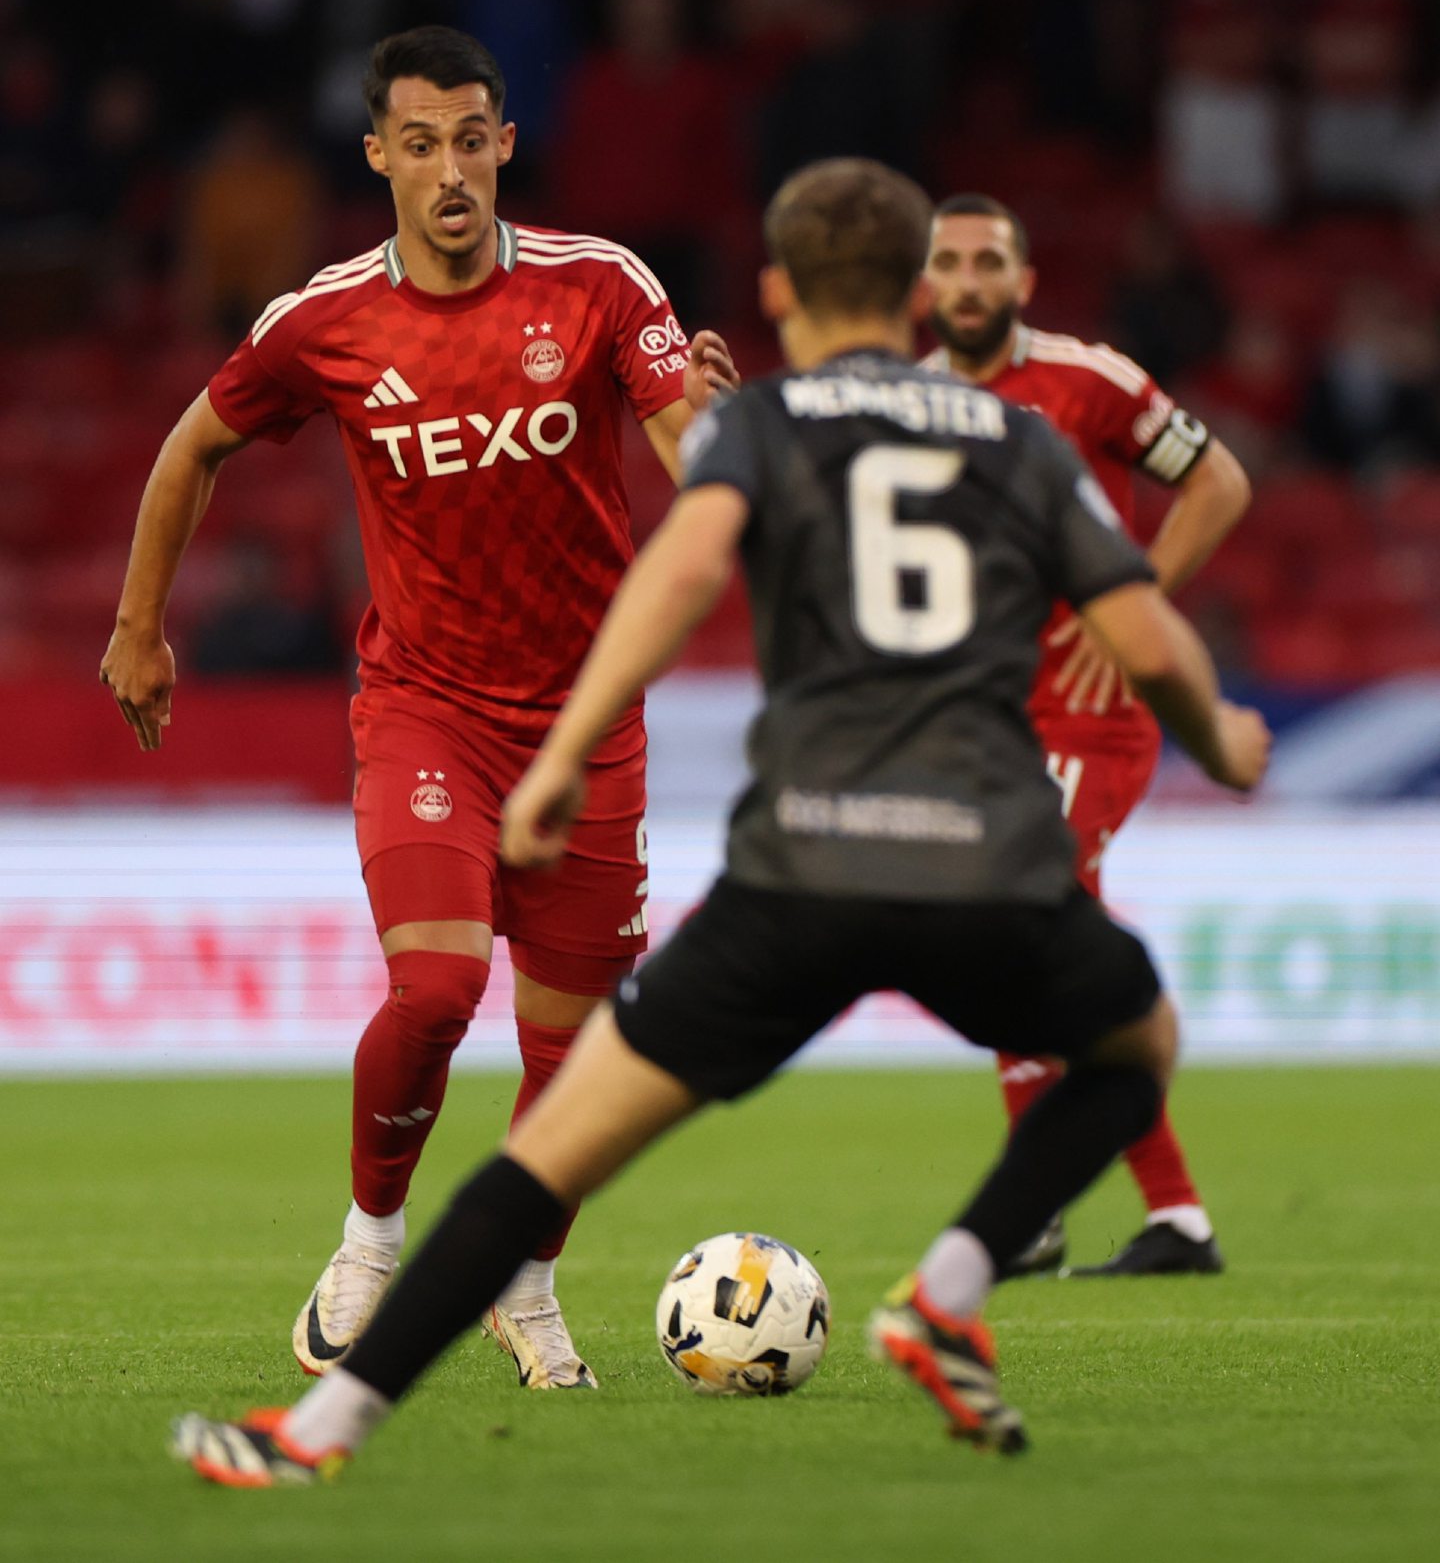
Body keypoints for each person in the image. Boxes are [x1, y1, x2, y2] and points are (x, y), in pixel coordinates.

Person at [171, 156, 1270, 1485]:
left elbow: (680, 575)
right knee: (1135, 1039)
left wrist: (567, 750)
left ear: (779, 292)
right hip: (984, 862)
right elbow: (1144, 634)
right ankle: (948, 1286)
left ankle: (317, 1431)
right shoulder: (1023, 436)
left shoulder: (769, 426)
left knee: (553, 1145)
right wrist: (1225, 739)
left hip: (800, 869)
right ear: (915, 289)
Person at [99, 25, 738, 1391]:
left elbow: (692, 442)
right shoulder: (323, 320)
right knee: (440, 985)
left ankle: (526, 1278)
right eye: (421, 143)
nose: (451, 169)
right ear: (380, 155)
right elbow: (192, 445)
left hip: (585, 727)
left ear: (505, 145)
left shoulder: (600, 288)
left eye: (473, 140)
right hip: (426, 708)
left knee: (577, 1050)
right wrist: (138, 622)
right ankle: (371, 1242)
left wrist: (725, 439)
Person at [921, 193, 1251, 1276]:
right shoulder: (907, 402)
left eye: (989, 262)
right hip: (985, 721)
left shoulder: (1089, 380)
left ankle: (1093, 1216)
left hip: (1090, 718)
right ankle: (1127, 1220)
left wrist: (1139, 601)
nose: (969, 281)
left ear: (1024, 281)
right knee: (1023, 942)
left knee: (1021, 919)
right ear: (927, 285)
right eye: (950, 263)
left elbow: (1219, 480)